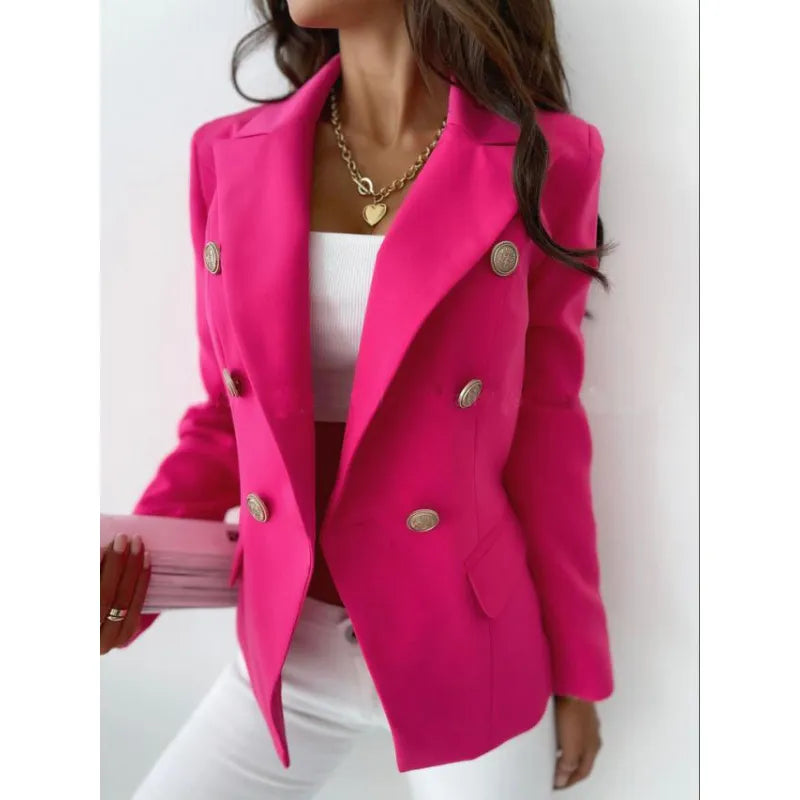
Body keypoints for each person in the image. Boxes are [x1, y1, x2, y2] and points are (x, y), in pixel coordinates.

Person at [100, 0, 615, 796]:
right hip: (288, 651)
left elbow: (548, 433)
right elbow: (226, 420)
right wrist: (130, 571)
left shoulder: (547, 159)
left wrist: (578, 674)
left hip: (468, 649)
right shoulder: (227, 156)